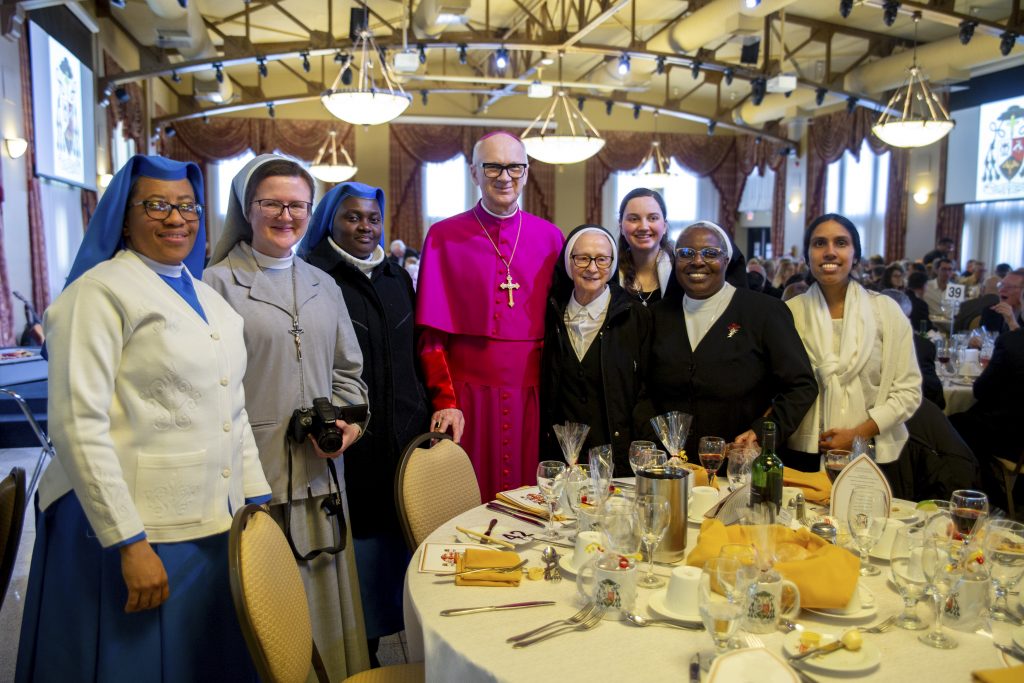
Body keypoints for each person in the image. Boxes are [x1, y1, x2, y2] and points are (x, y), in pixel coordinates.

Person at [16, 156, 272, 682]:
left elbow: (234, 411)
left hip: (211, 521)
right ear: (125, 218)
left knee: (197, 659)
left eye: (187, 207)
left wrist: (256, 506)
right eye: (156, 205)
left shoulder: (210, 301)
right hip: (127, 525)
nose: (176, 218)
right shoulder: (97, 295)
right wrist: (128, 542)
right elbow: (77, 425)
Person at [204, 155, 370, 679]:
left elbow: (349, 373)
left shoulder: (324, 284)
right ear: (246, 209)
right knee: (269, 622)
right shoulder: (215, 285)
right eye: (271, 203)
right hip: (255, 479)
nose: (286, 215)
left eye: (298, 205)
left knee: (326, 614)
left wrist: (349, 425)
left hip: (322, 476)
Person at [298, 181, 430, 665]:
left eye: (373, 218)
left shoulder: (397, 277)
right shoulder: (314, 275)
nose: (364, 227)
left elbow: (415, 355)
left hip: (404, 439)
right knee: (358, 564)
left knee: (401, 557)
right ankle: (363, 658)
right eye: (352, 217)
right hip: (351, 445)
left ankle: (410, 650)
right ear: (329, 220)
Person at [416, 131, 564, 500]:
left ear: (526, 172)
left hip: (533, 398)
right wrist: (446, 401)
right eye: (492, 167)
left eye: (514, 167)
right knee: (467, 500)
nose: (504, 177)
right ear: (474, 173)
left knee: (533, 502)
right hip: (469, 398)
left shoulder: (550, 238)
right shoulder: (443, 237)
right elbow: (432, 337)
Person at [637, 221, 817, 456]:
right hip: (670, 464)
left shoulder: (764, 312)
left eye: (710, 253)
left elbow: (801, 385)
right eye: (686, 253)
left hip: (739, 462)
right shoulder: (655, 316)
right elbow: (639, 388)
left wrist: (762, 432)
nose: (697, 261)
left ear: (726, 260)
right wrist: (656, 443)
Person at [786, 214, 922, 473]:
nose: (830, 251)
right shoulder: (790, 313)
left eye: (841, 243)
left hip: (872, 450)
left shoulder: (885, 312)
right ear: (807, 256)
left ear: (855, 255)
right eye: (819, 243)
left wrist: (857, 434)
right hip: (803, 453)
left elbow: (908, 391)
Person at [540, 225, 651, 476]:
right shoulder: (551, 314)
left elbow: (647, 389)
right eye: (582, 258)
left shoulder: (636, 317)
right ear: (568, 262)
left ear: (612, 264)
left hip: (618, 456)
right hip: (562, 458)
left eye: (602, 259)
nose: (592, 268)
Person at [949, 327, 1024, 511]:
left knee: (954, 426)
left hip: (1012, 441)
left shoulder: (1011, 342)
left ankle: (989, 496)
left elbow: (980, 389)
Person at [880, 288, 945, 410]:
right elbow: (936, 398)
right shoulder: (923, 346)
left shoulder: (859, 342)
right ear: (907, 318)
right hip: (916, 416)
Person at [979, 269, 1023, 334]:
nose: (1001, 290)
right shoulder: (991, 311)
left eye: (1009, 287)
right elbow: (986, 337)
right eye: (1001, 285)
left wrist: (1011, 322)